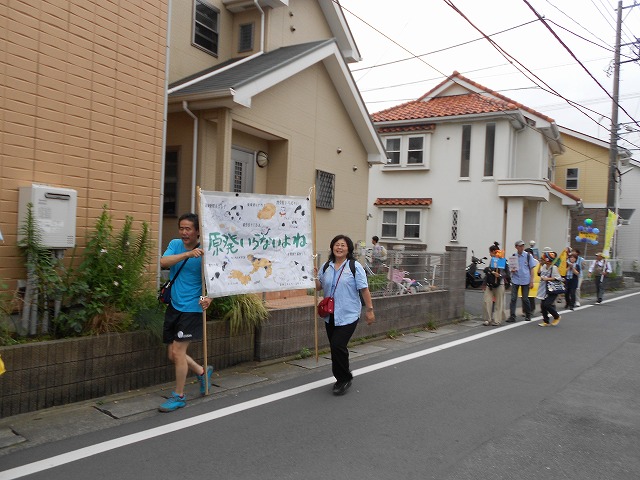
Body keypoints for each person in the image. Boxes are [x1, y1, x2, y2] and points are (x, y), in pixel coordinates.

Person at [158, 213, 213, 412]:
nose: (184, 232)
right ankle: (201, 371)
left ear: (197, 231)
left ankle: (179, 396)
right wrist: (187, 254)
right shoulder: (175, 244)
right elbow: (163, 262)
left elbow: (214, 280)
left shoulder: (206, 252)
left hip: (192, 308)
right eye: (181, 228)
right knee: (173, 354)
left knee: (178, 352)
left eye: (188, 229)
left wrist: (209, 298)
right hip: (174, 305)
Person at [316, 235, 375, 395]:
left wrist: (369, 310)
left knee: (338, 345)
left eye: (343, 245)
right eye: (336, 244)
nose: (339, 247)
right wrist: (313, 276)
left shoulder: (354, 266)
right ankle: (341, 376)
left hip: (349, 314)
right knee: (335, 348)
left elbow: (364, 289)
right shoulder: (326, 266)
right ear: (332, 247)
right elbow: (318, 287)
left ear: (348, 248)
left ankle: (344, 379)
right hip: (330, 314)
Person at [481, 242, 510, 326]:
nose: (490, 254)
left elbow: (508, 274)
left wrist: (500, 275)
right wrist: (484, 283)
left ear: (494, 251)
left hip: (500, 284)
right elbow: (488, 273)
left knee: (498, 303)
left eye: (490, 252)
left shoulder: (503, 261)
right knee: (487, 301)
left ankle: (497, 320)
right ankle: (488, 319)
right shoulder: (492, 261)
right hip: (490, 285)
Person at [508, 240, 536, 322]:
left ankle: (528, 314)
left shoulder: (528, 256)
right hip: (515, 279)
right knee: (513, 298)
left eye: (522, 246)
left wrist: (531, 281)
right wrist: (512, 270)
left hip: (525, 279)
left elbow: (532, 269)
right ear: (516, 247)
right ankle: (512, 316)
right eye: (520, 246)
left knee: (525, 299)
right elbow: (511, 268)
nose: (521, 247)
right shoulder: (514, 256)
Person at [536, 251, 562, 327]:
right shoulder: (543, 266)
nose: (542, 260)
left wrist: (547, 279)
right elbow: (538, 273)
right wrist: (540, 265)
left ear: (547, 260)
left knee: (547, 304)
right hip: (544, 288)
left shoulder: (554, 268)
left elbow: (558, 278)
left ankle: (556, 316)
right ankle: (546, 321)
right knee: (542, 305)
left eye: (543, 258)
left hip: (552, 289)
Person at [524, 247, 539, 314]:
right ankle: (525, 310)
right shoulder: (523, 260)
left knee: (531, 296)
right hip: (524, 279)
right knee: (524, 296)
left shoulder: (535, 262)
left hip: (533, 280)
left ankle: (532, 309)